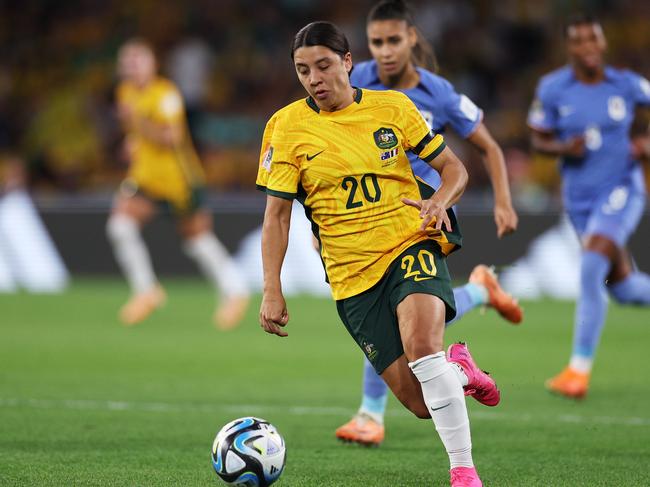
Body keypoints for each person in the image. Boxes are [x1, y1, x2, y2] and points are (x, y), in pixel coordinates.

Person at [258, 20, 497, 487]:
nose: (314, 79)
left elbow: (453, 168)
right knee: (420, 403)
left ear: (348, 63)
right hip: (351, 279)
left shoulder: (393, 107)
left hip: (411, 243)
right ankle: (460, 369)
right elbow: (277, 217)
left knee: (424, 350)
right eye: (303, 70)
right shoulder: (285, 128)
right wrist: (272, 289)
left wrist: (438, 202)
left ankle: (464, 473)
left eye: (324, 66)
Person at [334, 0, 521, 447]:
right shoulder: (355, 82)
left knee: (396, 312)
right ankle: (480, 292)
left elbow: (490, 148)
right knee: (410, 320)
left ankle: (369, 414)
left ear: (412, 38)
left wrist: (503, 202)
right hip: (371, 217)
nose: (384, 50)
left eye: (393, 40)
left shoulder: (439, 92)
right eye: (376, 42)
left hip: (424, 216)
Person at [528, 14, 650, 399]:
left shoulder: (627, 85)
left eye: (594, 40)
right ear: (570, 48)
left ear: (603, 43)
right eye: (580, 41)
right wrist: (563, 148)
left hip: (622, 190)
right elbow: (538, 139)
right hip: (580, 199)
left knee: (592, 265)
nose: (589, 47)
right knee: (624, 288)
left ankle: (577, 371)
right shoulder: (552, 88)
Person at [107, 39, 249, 329]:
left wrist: (137, 123)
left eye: (138, 60)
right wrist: (131, 142)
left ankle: (235, 291)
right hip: (145, 178)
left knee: (197, 240)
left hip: (178, 180)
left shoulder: (166, 94)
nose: (132, 66)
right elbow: (138, 134)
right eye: (128, 61)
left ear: (153, 64)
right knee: (120, 226)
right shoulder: (125, 93)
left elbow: (170, 138)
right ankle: (147, 291)